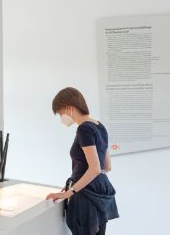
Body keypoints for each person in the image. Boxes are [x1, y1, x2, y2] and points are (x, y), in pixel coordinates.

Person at [46, 87, 119, 235]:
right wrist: (72, 183)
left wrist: (70, 192)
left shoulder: (84, 129)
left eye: (60, 113)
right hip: (101, 192)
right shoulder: (100, 126)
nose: (61, 117)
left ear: (69, 108)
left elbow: (95, 168)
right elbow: (107, 166)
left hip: (86, 197)